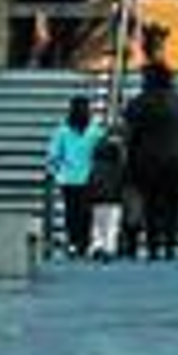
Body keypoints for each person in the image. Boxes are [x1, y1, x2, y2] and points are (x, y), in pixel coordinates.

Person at [123, 54, 178, 260]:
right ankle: (170, 245)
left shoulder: (138, 103)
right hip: (176, 162)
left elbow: (130, 135)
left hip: (146, 163)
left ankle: (153, 246)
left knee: (151, 204)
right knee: (173, 203)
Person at [45, 94, 102, 258]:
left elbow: (54, 154)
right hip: (88, 177)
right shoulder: (95, 131)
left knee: (72, 212)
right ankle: (83, 242)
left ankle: (74, 242)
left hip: (69, 178)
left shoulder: (62, 131)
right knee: (85, 212)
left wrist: (52, 171)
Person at [87, 119, 128, 262]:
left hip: (97, 194)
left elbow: (91, 176)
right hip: (114, 195)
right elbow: (124, 176)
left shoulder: (97, 154)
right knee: (112, 223)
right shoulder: (120, 156)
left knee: (97, 222)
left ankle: (97, 245)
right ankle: (109, 248)